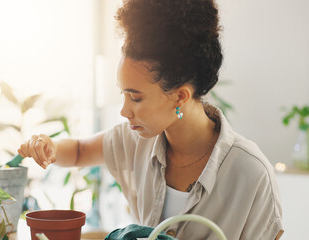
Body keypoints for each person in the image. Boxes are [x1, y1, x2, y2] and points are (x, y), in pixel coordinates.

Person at [17, 0, 284, 239]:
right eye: (123, 94)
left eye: (136, 98)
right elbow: (79, 151)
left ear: (180, 96)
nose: (124, 111)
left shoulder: (251, 173)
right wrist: (49, 147)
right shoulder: (134, 140)